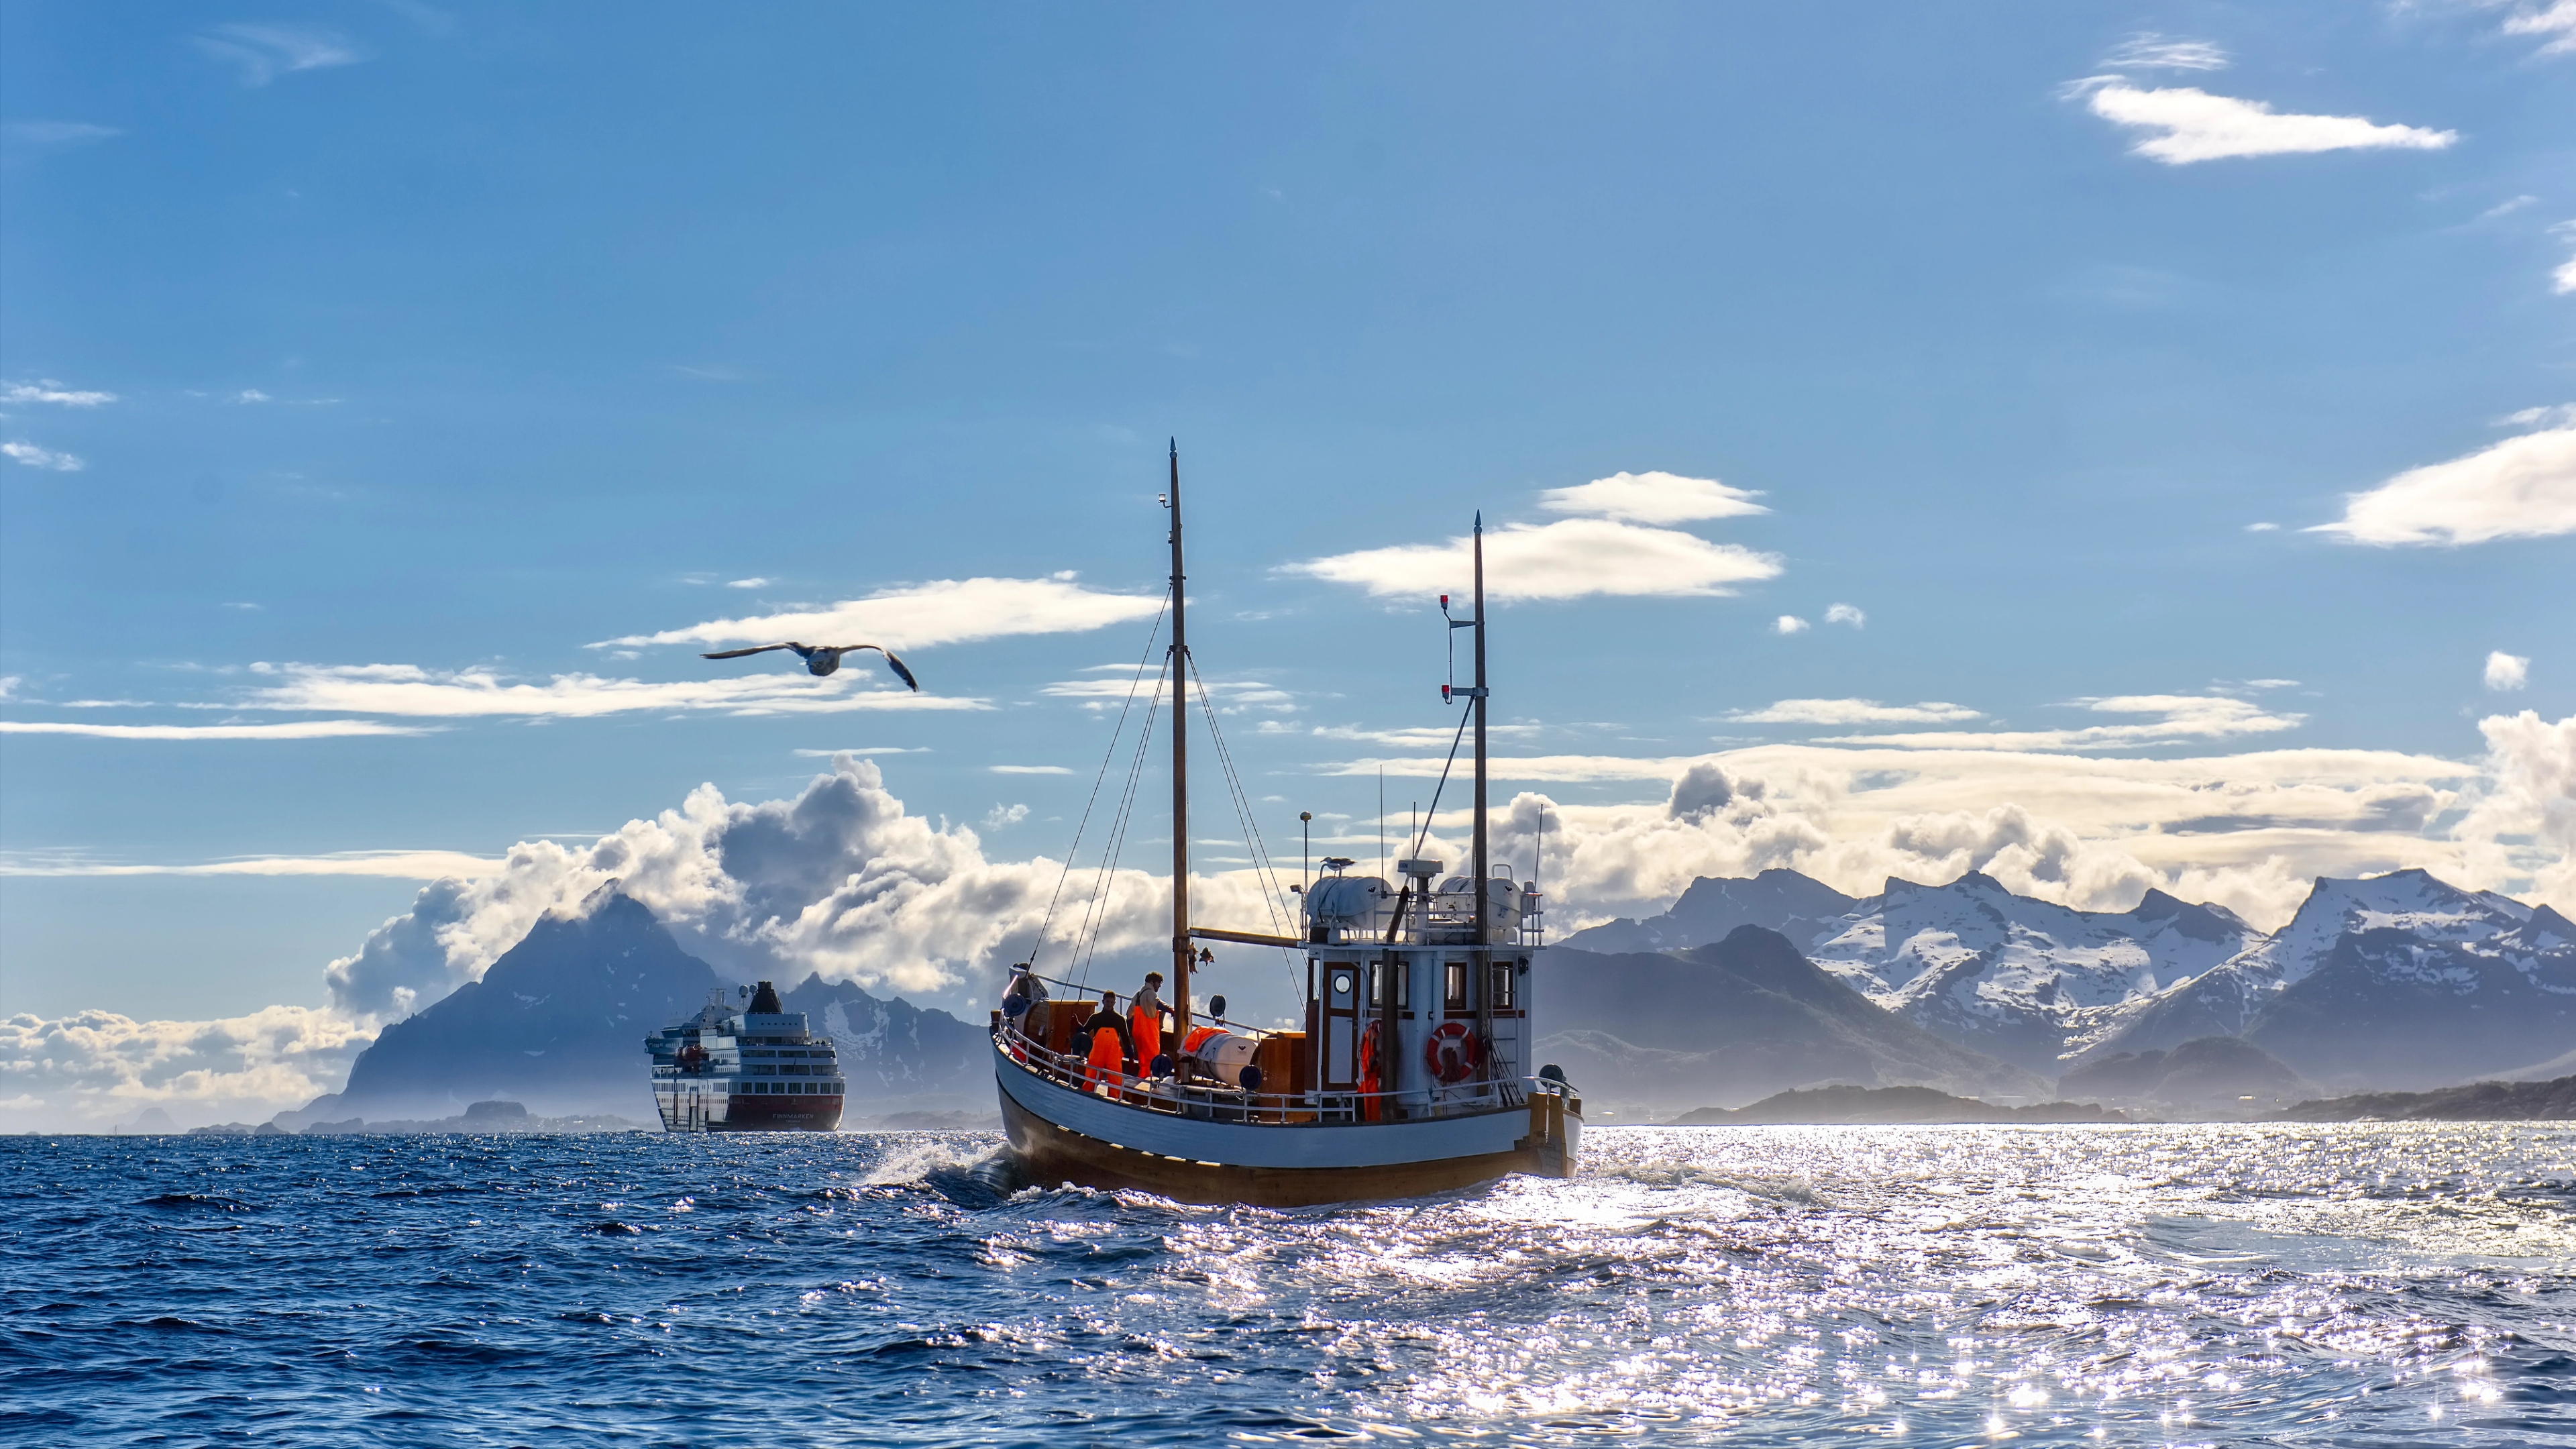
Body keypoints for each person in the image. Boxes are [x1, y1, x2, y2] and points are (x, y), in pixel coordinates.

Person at [1079, 991, 1132, 1096]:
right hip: (1097, 1054)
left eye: (1112, 1002)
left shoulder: (1120, 1019)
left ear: (1114, 1003)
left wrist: (1131, 1057)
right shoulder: (1095, 1018)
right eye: (1107, 1002)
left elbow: (1126, 1039)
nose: (1109, 1004)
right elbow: (1084, 1033)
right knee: (1091, 1077)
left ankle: (1115, 1100)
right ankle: (1085, 1096)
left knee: (1116, 1080)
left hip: (1113, 1055)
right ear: (1103, 1002)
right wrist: (1077, 1026)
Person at [1128, 971, 1168, 1077]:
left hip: (1138, 1032)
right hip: (1149, 1033)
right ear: (1152, 982)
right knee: (1153, 1058)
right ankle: (1151, 1082)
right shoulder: (1150, 993)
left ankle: (1142, 1079)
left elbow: (1129, 1014)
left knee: (1143, 1060)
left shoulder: (1137, 995)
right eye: (1159, 983)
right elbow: (1157, 1003)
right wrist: (1171, 1010)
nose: (1159, 986)